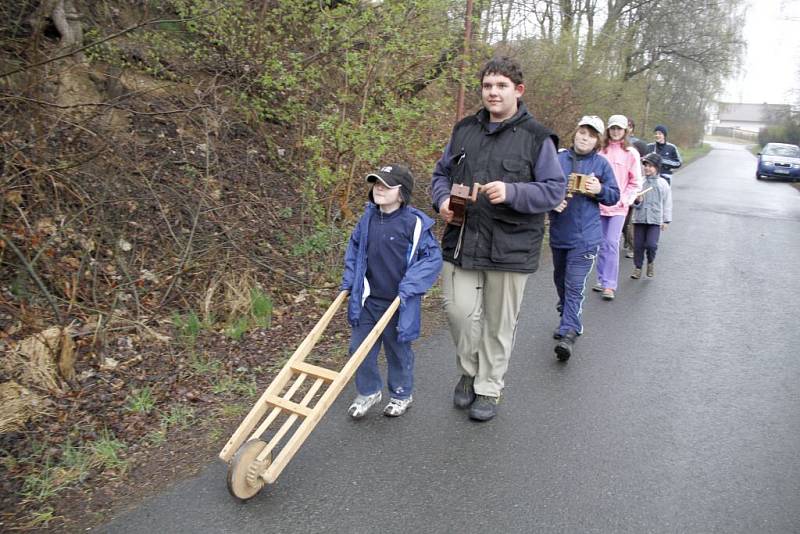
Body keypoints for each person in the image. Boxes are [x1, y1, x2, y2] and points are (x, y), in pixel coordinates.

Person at [430, 56, 566, 421]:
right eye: (488, 85)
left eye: (501, 86)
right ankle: (469, 370)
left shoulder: (537, 138)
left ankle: (488, 387)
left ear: (518, 91)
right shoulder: (464, 130)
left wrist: (513, 192)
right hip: (462, 240)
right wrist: (442, 199)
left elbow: (554, 190)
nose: (493, 92)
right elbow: (440, 173)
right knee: (458, 312)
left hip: (511, 246)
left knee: (498, 323)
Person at [341, 164, 442, 419]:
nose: (379, 189)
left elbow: (431, 258)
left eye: (386, 185)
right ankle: (369, 392)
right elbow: (355, 251)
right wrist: (350, 281)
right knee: (358, 349)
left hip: (399, 302)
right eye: (376, 184)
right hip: (367, 300)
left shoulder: (414, 223)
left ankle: (401, 393)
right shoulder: (368, 219)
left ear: (402, 193)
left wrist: (410, 286)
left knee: (398, 350)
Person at [550, 116, 620, 361]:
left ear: (597, 141)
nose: (584, 137)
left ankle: (570, 331)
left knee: (574, 284)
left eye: (590, 135)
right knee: (560, 280)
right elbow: (542, 189)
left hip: (587, 237)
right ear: (575, 133)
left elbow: (614, 196)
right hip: (560, 235)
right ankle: (567, 311)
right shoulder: (557, 160)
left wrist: (599, 190)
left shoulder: (601, 165)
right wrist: (552, 202)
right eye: (582, 132)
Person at [594, 114, 641, 300]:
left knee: (612, 243)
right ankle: (600, 278)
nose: (615, 132)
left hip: (619, 207)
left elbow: (636, 182)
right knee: (600, 243)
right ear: (608, 130)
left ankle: (609, 285)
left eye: (619, 129)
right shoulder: (600, 150)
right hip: (598, 204)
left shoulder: (631, 153)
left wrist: (625, 200)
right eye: (613, 128)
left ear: (625, 131)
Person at [630, 152, 672, 279]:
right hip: (639, 218)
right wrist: (637, 200)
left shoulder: (662, 184)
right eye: (645, 165)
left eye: (651, 166)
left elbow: (667, 202)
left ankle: (650, 262)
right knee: (638, 245)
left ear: (657, 168)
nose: (647, 168)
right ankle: (637, 268)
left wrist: (666, 220)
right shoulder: (640, 183)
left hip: (655, 220)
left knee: (651, 245)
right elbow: (632, 201)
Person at [622, 118, 647, 258]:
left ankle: (633, 246)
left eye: (630, 126)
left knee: (631, 222)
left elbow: (641, 178)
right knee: (624, 222)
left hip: (636, 193)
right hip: (623, 190)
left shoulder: (637, 145)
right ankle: (627, 240)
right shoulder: (617, 145)